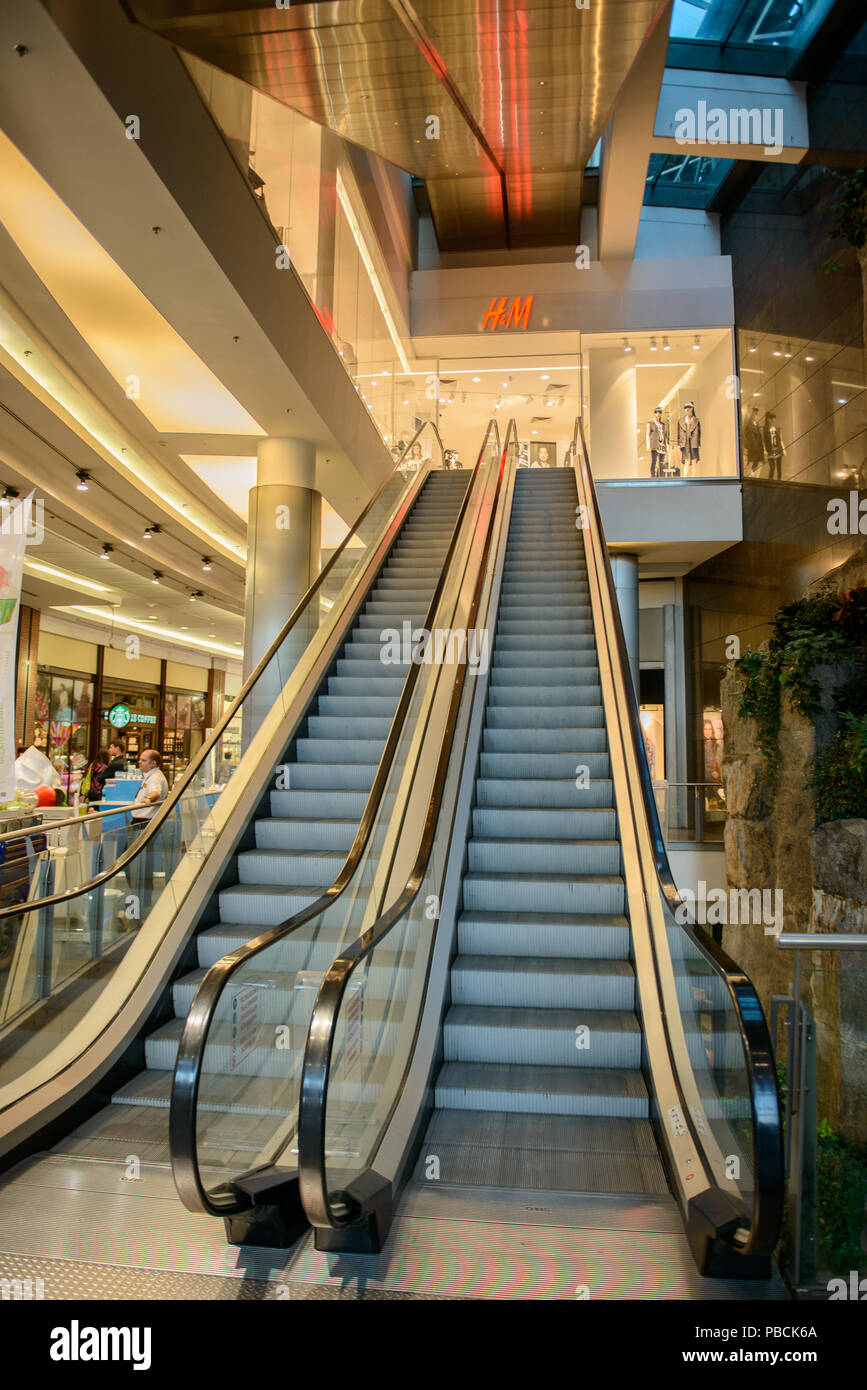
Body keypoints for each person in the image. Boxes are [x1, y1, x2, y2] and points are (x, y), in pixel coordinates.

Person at [131, 749, 168, 823]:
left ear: (153, 763)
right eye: (140, 759)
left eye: (143, 760)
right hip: (141, 819)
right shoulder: (150, 775)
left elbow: (156, 793)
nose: (139, 762)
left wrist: (149, 798)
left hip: (145, 821)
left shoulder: (155, 777)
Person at [678, 402, 701, 475]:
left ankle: (694, 479)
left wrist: (698, 443)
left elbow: (699, 433)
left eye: (688, 407)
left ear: (692, 408)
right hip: (685, 443)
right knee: (686, 461)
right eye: (685, 407)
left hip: (694, 443)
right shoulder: (681, 421)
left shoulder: (696, 421)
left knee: (694, 461)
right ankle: (685, 479)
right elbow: (679, 433)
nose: (686, 409)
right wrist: (679, 444)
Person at [647, 406, 669, 478]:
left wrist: (666, 445)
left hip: (662, 445)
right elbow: (647, 434)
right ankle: (652, 475)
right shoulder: (650, 424)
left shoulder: (662, 425)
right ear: (654, 413)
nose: (658, 414)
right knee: (654, 460)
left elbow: (665, 435)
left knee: (661, 462)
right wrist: (648, 445)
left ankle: (660, 476)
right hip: (654, 444)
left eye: (660, 412)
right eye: (656, 412)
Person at [743, 405, 765, 476]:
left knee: (756, 462)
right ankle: (749, 475)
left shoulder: (756, 423)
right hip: (753, 448)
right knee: (752, 462)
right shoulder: (750, 423)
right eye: (755, 413)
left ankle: (753, 475)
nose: (755, 415)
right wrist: (754, 446)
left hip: (757, 448)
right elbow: (750, 435)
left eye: (756, 413)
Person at [763, 412, 786, 480]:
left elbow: (781, 440)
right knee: (772, 468)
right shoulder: (765, 429)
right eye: (772, 419)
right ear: (768, 419)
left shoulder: (778, 429)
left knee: (779, 468)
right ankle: (770, 482)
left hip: (778, 449)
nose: (773, 420)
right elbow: (764, 440)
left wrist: (783, 449)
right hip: (770, 450)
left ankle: (779, 481)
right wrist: (765, 450)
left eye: (774, 419)